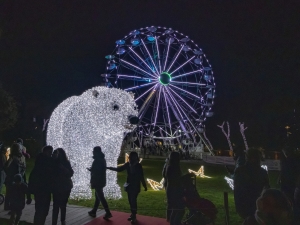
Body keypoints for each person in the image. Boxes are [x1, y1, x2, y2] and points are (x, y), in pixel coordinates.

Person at [107, 151, 147, 224]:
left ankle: (134, 216)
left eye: (132, 157)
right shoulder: (128, 165)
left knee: (133, 200)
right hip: (129, 185)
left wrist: (144, 185)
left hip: (135, 186)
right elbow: (119, 169)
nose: (131, 158)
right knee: (130, 201)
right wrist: (110, 168)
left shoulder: (138, 166)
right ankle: (132, 214)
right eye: (131, 157)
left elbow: (141, 176)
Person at [234, 148, 270, 219]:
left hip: (246, 205)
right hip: (254, 205)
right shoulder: (262, 172)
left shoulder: (240, 170)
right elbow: (267, 188)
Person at [28, 145, 54, 225]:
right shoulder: (44, 164)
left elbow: (31, 180)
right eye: (50, 152)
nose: (51, 154)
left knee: (41, 210)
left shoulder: (40, 164)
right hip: (43, 190)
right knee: (41, 210)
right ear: (45, 152)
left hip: (42, 190)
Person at [87, 146, 112, 219]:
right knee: (98, 196)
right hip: (101, 180)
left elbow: (97, 171)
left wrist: (92, 170)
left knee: (101, 197)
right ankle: (94, 211)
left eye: (94, 151)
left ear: (96, 152)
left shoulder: (98, 160)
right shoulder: (102, 159)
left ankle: (108, 212)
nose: (93, 152)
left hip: (98, 181)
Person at [52, 148, 74, 225]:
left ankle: (62, 220)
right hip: (57, 187)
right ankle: (54, 222)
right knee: (56, 205)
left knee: (62, 205)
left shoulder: (65, 163)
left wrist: (63, 168)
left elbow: (70, 173)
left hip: (65, 186)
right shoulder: (54, 163)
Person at [165, 151, 186, 225]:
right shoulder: (173, 168)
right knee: (180, 209)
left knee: (175, 209)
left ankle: (174, 222)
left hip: (171, 190)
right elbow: (175, 180)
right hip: (174, 191)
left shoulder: (170, 166)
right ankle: (175, 222)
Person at [4, 143, 24, 211]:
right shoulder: (13, 157)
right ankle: (9, 207)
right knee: (11, 193)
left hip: (13, 177)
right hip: (12, 177)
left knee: (10, 193)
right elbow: (6, 166)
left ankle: (8, 207)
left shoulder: (16, 157)